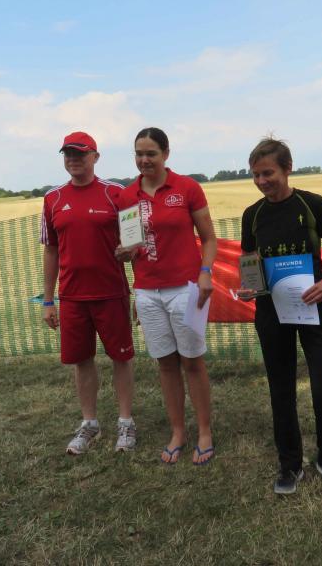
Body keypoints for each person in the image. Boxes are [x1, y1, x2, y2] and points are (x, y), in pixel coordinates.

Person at [238, 137, 322, 497]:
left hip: (314, 308)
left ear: (287, 168)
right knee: (281, 390)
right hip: (271, 314)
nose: (261, 181)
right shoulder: (252, 215)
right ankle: (290, 464)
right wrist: (249, 287)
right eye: (255, 175)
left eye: (268, 173)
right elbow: (250, 263)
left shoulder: (312, 204)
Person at [115, 127, 217, 465]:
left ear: (166, 154)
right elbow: (132, 245)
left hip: (186, 289)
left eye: (151, 154)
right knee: (166, 364)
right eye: (139, 154)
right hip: (147, 292)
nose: (144, 160)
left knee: (192, 361)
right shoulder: (127, 197)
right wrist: (126, 253)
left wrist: (205, 272)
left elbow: (209, 238)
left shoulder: (187, 188)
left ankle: (204, 432)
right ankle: (178, 432)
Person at [40, 131, 137, 455]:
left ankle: (126, 422)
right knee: (81, 361)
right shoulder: (52, 199)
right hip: (72, 297)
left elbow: (134, 245)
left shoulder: (117, 193)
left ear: (95, 157)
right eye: (68, 154)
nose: (73, 159)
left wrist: (138, 289)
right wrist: (48, 300)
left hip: (111, 293)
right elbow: (51, 250)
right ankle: (89, 423)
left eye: (80, 153)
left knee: (121, 357)